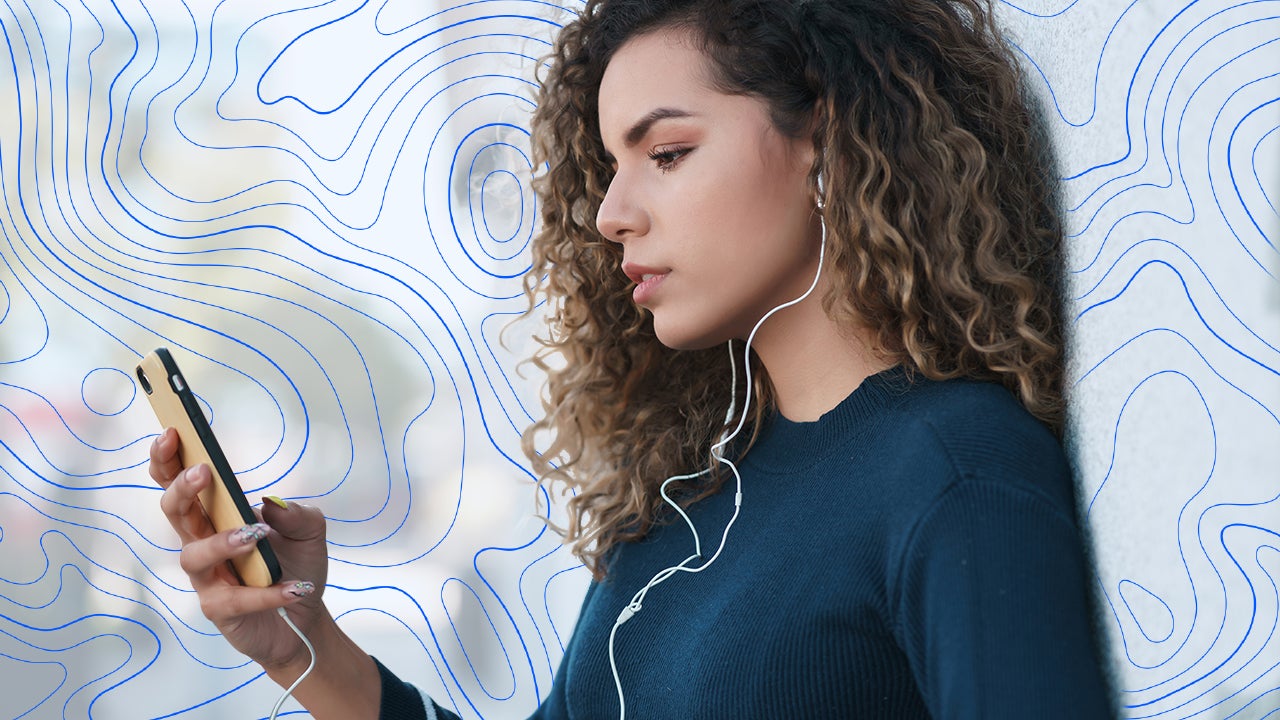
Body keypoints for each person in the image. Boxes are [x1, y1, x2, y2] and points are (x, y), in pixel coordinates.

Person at [148, 0, 1116, 717]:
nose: (612, 213)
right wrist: (301, 644)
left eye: (665, 154)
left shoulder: (956, 477)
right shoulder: (685, 504)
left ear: (822, 137)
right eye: (609, 166)